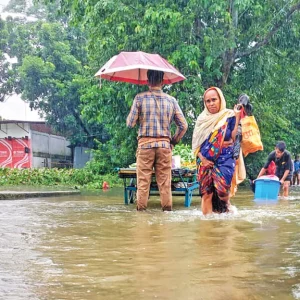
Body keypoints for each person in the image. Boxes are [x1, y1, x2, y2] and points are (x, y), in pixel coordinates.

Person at [126, 69, 188, 211]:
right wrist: (173, 141)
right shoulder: (171, 100)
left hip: (145, 146)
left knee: (143, 182)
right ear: (163, 81)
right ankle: (167, 212)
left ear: (147, 81)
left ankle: (141, 215)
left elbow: (130, 124)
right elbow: (184, 125)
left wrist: (136, 111)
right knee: (165, 182)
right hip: (164, 146)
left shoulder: (139, 98)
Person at [192, 87, 241, 215]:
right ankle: (207, 225)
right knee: (206, 193)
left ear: (220, 99)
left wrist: (237, 118)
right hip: (204, 160)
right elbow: (196, 145)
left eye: (214, 100)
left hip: (225, 158)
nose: (211, 103)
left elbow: (234, 138)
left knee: (222, 191)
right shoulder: (201, 120)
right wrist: (203, 159)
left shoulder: (229, 116)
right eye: (208, 101)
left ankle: (227, 210)